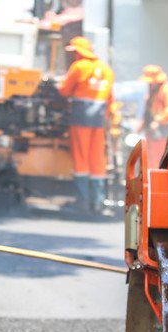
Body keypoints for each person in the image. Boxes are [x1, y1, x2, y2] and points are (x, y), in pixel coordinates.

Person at [57, 36, 114, 212]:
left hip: (81, 117)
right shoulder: (106, 69)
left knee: (81, 157)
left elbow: (64, 91)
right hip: (98, 120)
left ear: (78, 52)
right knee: (96, 158)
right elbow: (110, 98)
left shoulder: (79, 67)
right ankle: (97, 201)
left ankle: (82, 200)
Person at [136, 65, 168, 168]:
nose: (149, 83)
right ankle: (150, 179)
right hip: (151, 131)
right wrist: (140, 126)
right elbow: (148, 111)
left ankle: (157, 180)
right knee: (149, 158)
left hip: (162, 131)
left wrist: (158, 121)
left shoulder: (166, 90)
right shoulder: (151, 91)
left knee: (159, 157)